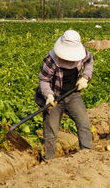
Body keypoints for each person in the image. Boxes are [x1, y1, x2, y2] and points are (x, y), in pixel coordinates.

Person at [35, 30, 94, 161]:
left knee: (83, 123)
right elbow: (43, 80)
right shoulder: (51, 59)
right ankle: (49, 160)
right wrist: (49, 96)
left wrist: (85, 77)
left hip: (73, 94)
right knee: (51, 130)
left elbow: (89, 61)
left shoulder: (82, 53)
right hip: (54, 97)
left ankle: (87, 156)